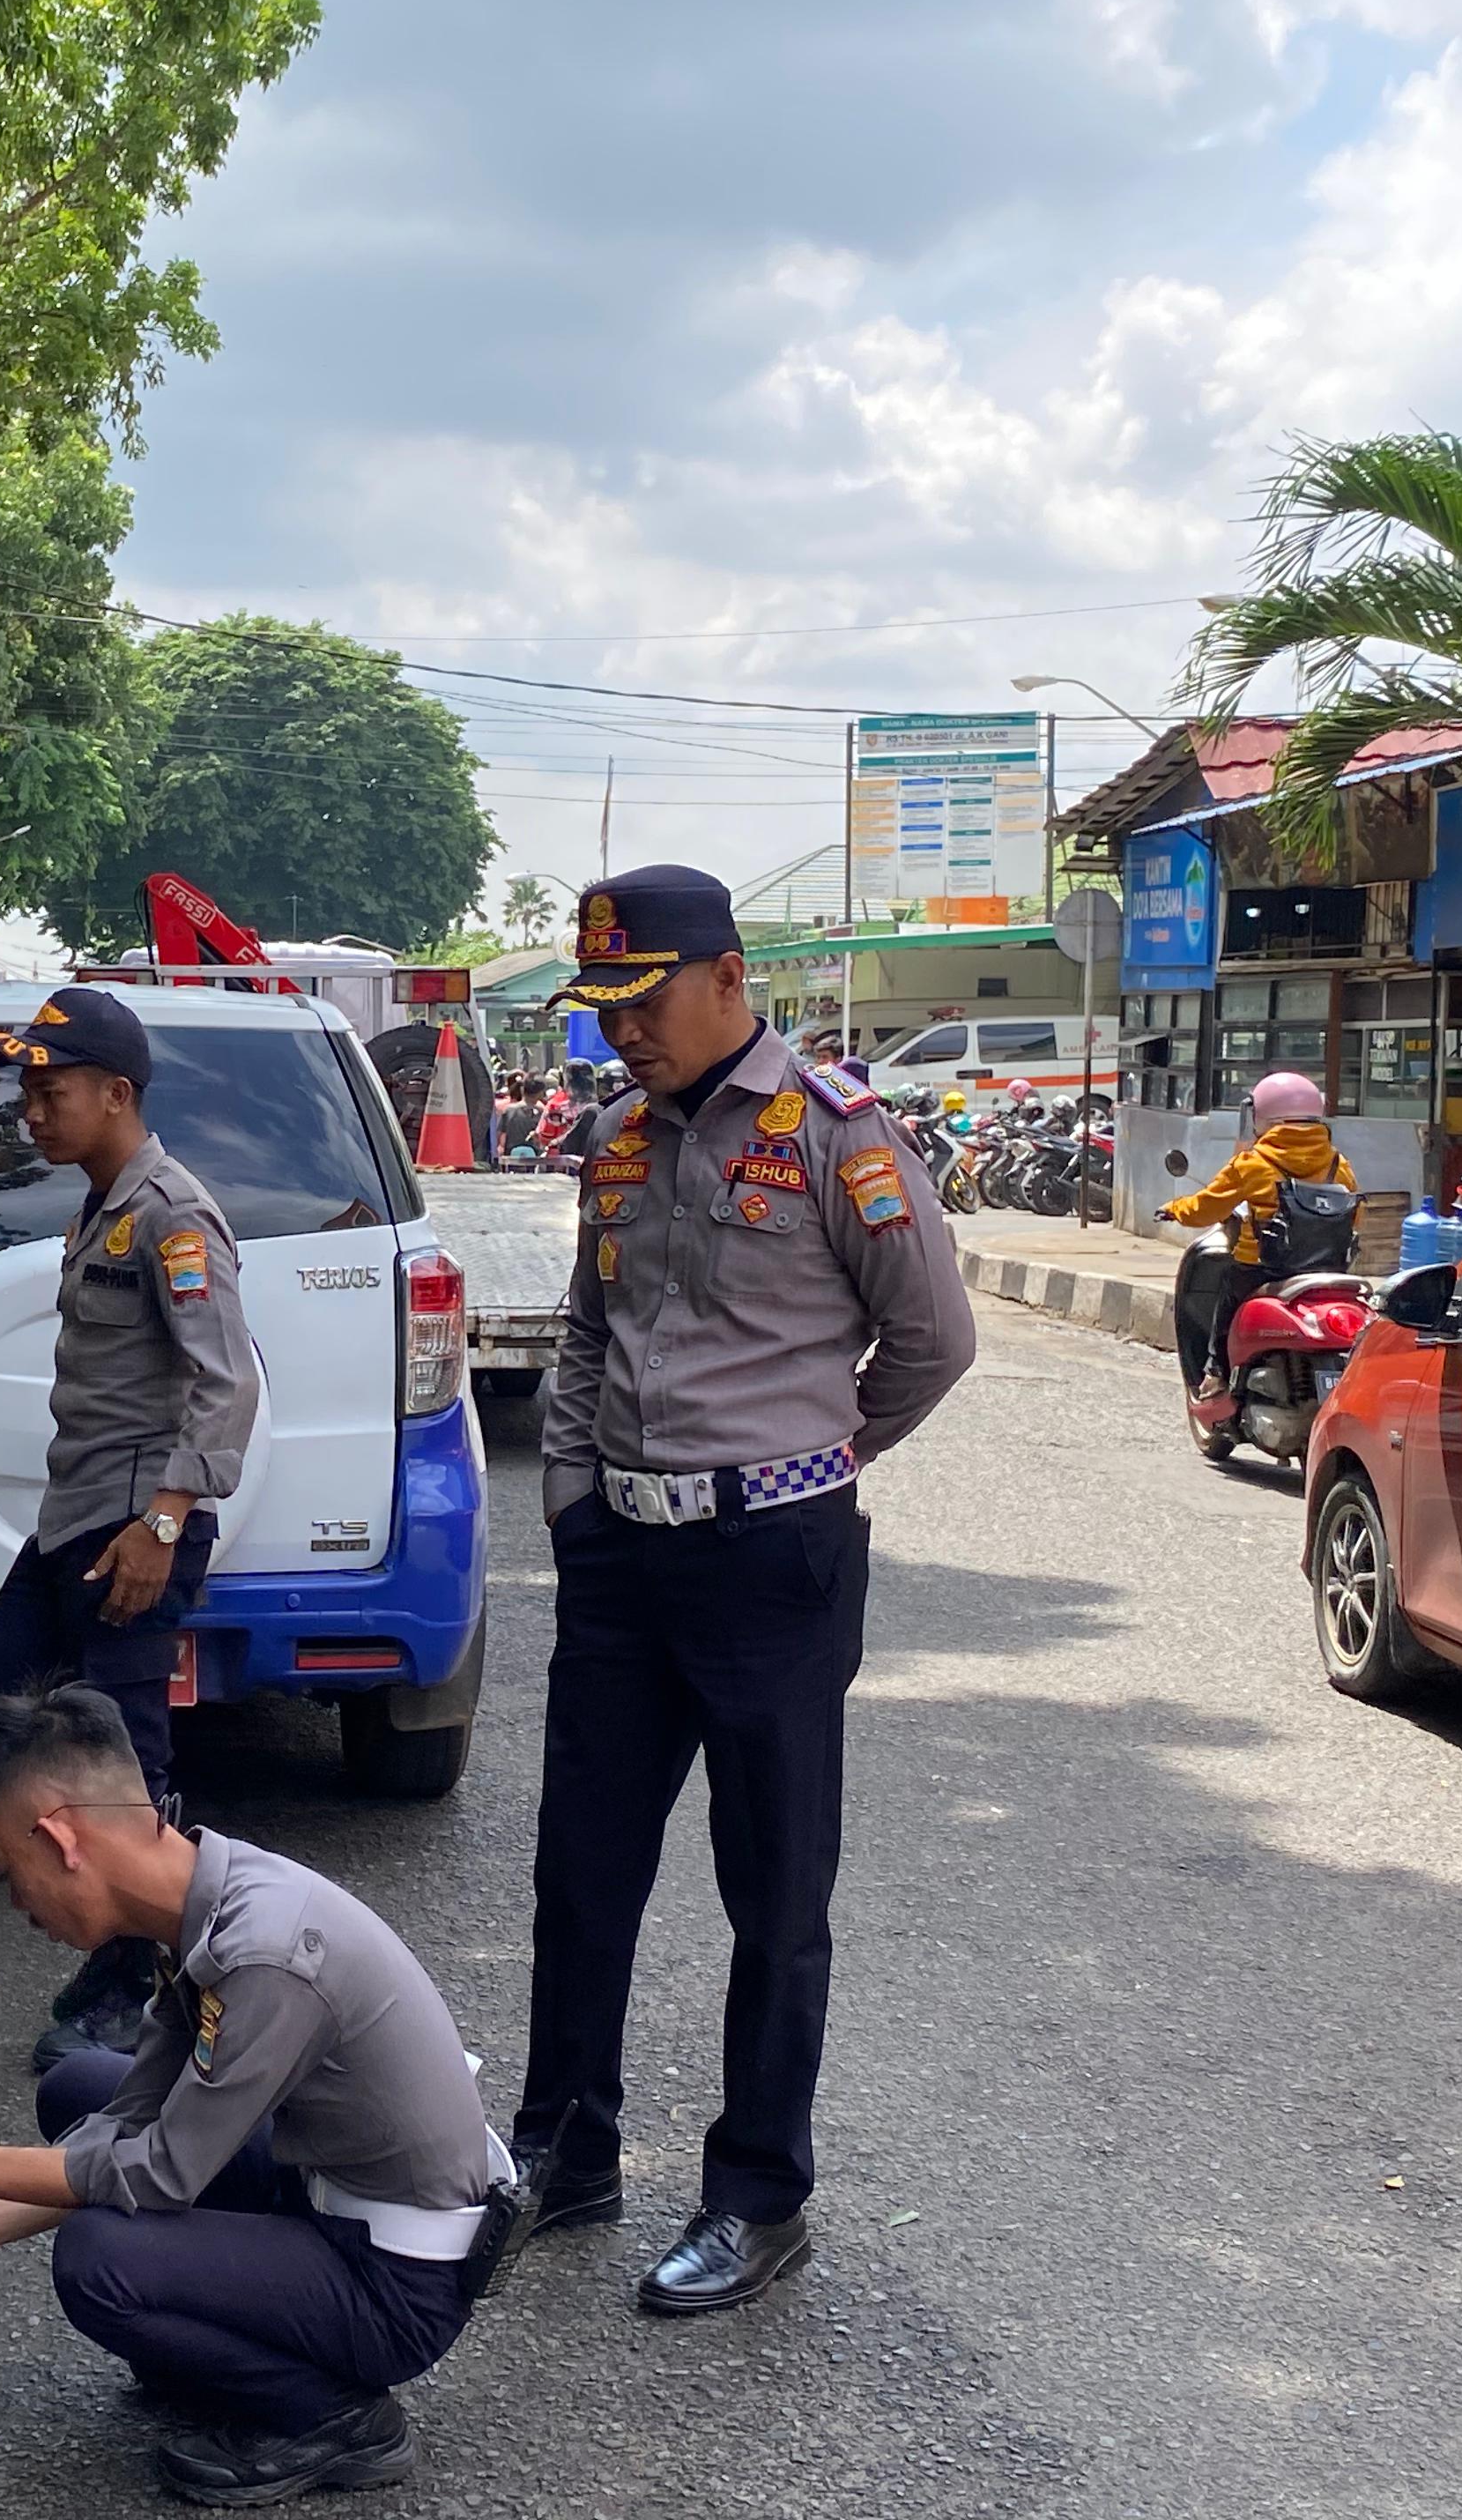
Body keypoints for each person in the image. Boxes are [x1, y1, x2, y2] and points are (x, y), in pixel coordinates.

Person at [512, 866, 976, 2314]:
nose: (620, 1034)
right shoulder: (610, 1145)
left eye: (638, 1003)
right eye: (601, 1009)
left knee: (772, 1890)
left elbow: (929, 1339)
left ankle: (756, 2191)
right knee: (579, 1873)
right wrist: (574, 1494)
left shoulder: (838, 1137)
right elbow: (589, 1333)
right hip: (621, 1564)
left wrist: (812, 1459)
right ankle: (561, 2149)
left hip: (771, 1562)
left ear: (725, 976)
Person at [0, 1688, 511, 2506]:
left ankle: (333, 2417)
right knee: (81, 2089)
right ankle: (220, 2344)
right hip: (325, 2193)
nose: (17, 1906)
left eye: (6, 1874)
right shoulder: (204, 1892)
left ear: (60, 1838)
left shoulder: (264, 1952)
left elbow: (161, 2175)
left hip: (396, 2283)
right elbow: (131, 2123)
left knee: (100, 2262)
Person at [0, 985, 261, 2066]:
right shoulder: (104, 1203)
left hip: (134, 1525)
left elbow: (227, 1384)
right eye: (28, 1091)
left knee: (131, 1757)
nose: (32, 1111)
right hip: (75, 1518)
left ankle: (155, 1973)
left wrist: (164, 1523)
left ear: (117, 1093)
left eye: (53, 1091)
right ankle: (134, 1942)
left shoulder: (174, 1212)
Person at [1163, 1070, 1356, 1398]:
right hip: (1328, 1268)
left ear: (1263, 1116)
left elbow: (1206, 1209)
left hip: (1264, 1267)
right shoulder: (1339, 1164)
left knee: (1228, 1298)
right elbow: (1354, 1213)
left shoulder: (1251, 1164)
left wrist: (1176, 1208)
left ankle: (1216, 1373)